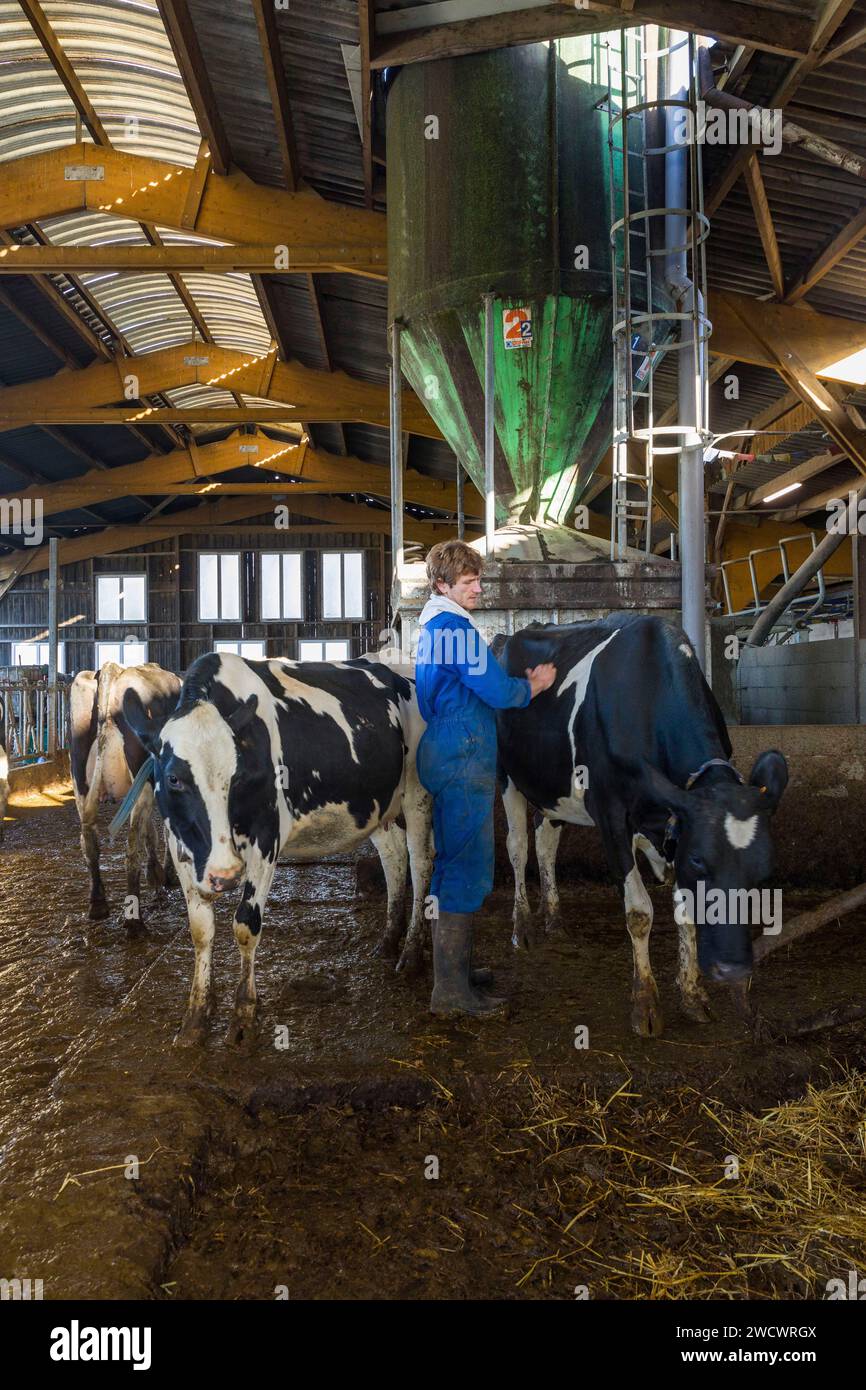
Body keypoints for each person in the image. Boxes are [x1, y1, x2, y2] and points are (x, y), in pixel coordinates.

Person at [415, 539, 557, 1018]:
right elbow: (494, 689)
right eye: (468, 582)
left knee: (450, 862)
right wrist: (532, 686)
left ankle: (454, 972)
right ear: (441, 585)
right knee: (467, 866)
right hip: (464, 751)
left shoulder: (435, 625)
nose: (478, 589)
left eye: (478, 580)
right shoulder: (453, 629)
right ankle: (450, 993)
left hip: (446, 744)